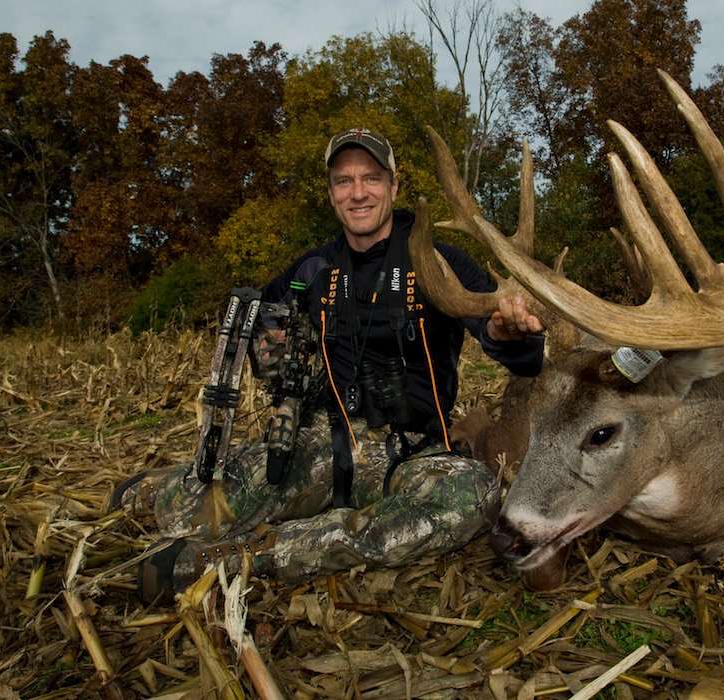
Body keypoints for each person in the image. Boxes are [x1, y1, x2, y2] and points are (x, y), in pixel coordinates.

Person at [112, 128, 544, 602]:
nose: (358, 193)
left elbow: (510, 348)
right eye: (344, 181)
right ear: (332, 193)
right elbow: (255, 322)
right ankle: (151, 488)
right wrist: (268, 345)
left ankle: (243, 561)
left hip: (416, 453)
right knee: (185, 514)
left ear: (393, 187)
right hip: (321, 444)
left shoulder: (440, 260)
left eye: (371, 179)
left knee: (473, 499)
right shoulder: (313, 269)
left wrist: (510, 331)